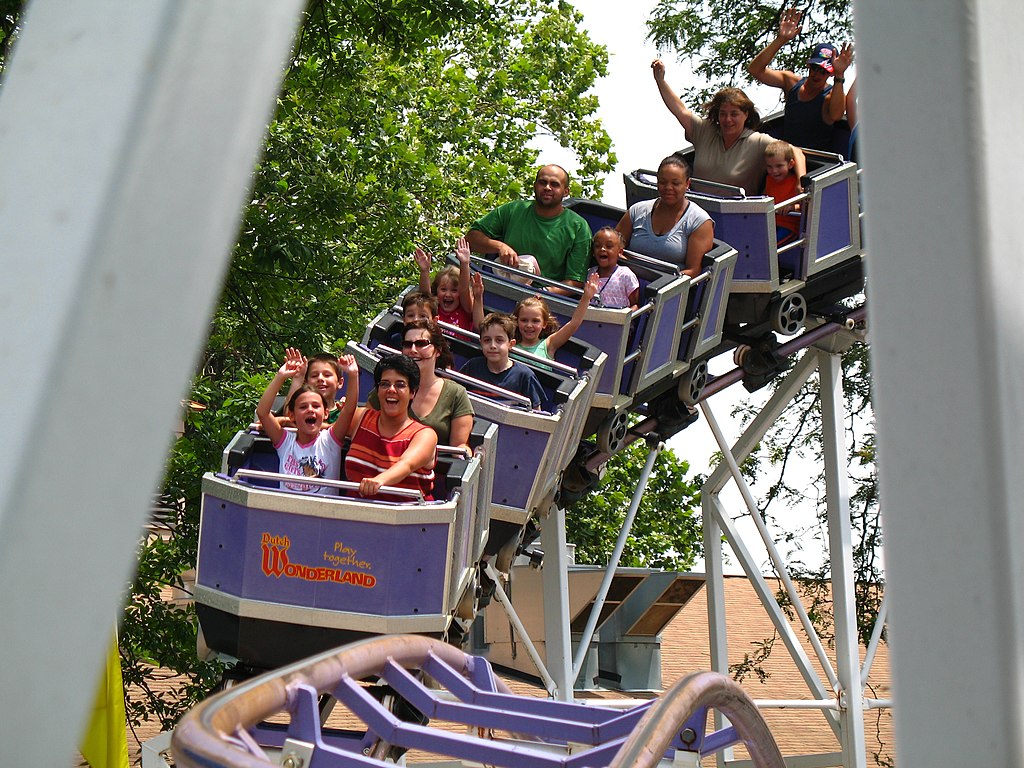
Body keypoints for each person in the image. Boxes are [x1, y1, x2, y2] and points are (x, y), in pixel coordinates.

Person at [652, 59, 806, 195]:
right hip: (697, 211)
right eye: (723, 114)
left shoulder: (758, 141)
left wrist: (801, 183)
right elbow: (679, 110)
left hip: (736, 215)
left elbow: (797, 152)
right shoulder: (705, 130)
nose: (728, 119)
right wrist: (660, 80)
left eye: (734, 114)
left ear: (746, 114)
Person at [466, 164, 592, 296]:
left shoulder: (579, 227)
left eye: (554, 184)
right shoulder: (512, 210)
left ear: (566, 191)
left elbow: (575, 282)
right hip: (502, 291)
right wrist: (500, 247)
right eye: (542, 182)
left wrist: (540, 294)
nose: (547, 188)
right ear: (534, 185)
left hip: (543, 303)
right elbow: (469, 240)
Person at [747, 8, 853, 152]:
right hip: (787, 158)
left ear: (830, 73)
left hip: (817, 163)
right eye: (815, 68)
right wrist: (781, 39)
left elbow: (836, 115)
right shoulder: (791, 82)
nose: (817, 74)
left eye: (823, 71)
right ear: (808, 66)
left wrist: (840, 75)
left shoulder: (830, 96)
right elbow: (755, 69)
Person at [255, 351, 359, 496]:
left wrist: (353, 375)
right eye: (303, 407)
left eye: (316, 406)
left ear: (325, 414)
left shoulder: (330, 441)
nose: (310, 410)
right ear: (292, 415)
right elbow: (263, 413)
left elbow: (349, 410)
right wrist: (281, 376)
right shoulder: (285, 442)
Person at [368, 320, 475, 452]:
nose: (413, 350)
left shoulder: (456, 393)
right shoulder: (389, 386)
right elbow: (365, 424)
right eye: (407, 344)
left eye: (421, 344)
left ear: (438, 350)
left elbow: (459, 446)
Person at [344, 354, 437, 501]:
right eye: (385, 384)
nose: (391, 390)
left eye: (400, 385)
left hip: (407, 517)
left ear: (412, 392)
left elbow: (406, 464)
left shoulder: (424, 435)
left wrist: (379, 481)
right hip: (356, 513)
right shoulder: (361, 418)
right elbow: (324, 432)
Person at [616, 156, 715, 278]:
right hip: (625, 282)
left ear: (687, 184)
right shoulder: (637, 210)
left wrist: (661, 285)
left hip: (669, 291)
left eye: (675, 183)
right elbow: (613, 247)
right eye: (663, 182)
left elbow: (693, 270)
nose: (668, 188)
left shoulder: (699, 221)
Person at [459, 312, 545, 409]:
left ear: (511, 344)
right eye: (487, 340)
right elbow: (456, 397)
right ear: (481, 343)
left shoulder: (525, 376)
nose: (492, 346)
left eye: (499, 340)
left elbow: (536, 412)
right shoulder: (472, 366)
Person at [513, 272, 599, 362]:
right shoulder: (510, 344)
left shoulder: (548, 345)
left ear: (544, 324)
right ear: (517, 321)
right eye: (524, 320)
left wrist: (586, 298)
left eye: (535, 321)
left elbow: (574, 323)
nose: (529, 325)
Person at [415, 237, 475, 331]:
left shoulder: (465, 309)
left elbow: (464, 290)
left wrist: (464, 263)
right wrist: (424, 271)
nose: (448, 294)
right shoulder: (435, 309)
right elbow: (425, 296)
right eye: (443, 289)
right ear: (437, 290)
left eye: (454, 290)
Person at [279, 348, 348, 427]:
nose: (320, 379)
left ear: (340, 382)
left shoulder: (342, 411)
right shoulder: (304, 412)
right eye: (314, 376)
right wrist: (298, 378)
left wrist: (346, 413)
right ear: (306, 382)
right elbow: (289, 414)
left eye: (327, 375)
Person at [587, 227, 640, 310]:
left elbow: (635, 305)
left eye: (609, 246)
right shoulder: (590, 273)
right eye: (597, 246)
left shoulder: (626, 275)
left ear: (619, 252)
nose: (602, 249)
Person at [764, 140, 802, 245]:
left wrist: (792, 207)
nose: (774, 171)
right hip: (770, 223)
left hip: (788, 226)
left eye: (779, 166)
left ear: (790, 164)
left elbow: (805, 206)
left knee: (768, 246)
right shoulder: (769, 179)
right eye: (769, 167)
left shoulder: (795, 183)